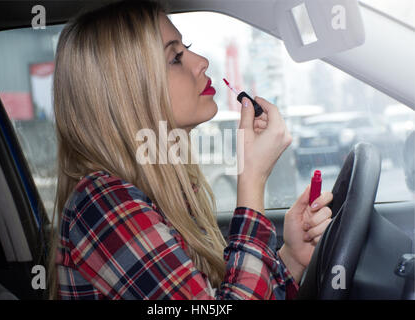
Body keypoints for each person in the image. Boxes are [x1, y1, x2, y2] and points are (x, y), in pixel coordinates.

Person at [48, 0, 333, 300]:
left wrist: (291, 257)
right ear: (126, 92)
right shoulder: (102, 205)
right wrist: (251, 182)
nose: (201, 62)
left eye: (188, 47)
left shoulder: (164, 191)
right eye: (175, 58)